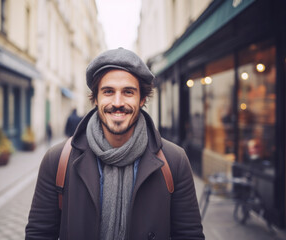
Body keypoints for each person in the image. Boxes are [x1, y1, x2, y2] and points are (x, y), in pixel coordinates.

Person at [26, 48, 204, 240]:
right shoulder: (57, 160)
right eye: (108, 92)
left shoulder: (174, 161)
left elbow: (189, 235)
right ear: (96, 98)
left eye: (128, 92)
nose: (117, 102)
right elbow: (39, 234)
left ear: (142, 99)